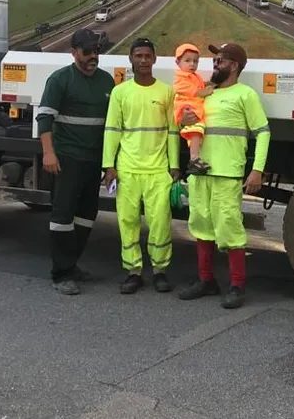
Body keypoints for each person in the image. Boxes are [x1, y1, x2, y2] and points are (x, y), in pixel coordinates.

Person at [177, 43, 270, 309]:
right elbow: (187, 123)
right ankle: (206, 281)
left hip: (227, 174)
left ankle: (237, 286)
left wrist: (257, 170)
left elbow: (262, 132)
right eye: (215, 59)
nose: (215, 63)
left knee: (229, 228)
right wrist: (184, 118)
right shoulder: (205, 93)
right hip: (200, 172)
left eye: (221, 60)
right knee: (201, 225)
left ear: (235, 65)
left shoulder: (245, 95)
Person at [36, 28, 114, 296]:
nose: (93, 56)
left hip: (93, 161)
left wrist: (109, 164)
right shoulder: (60, 80)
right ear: (74, 52)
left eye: (97, 51)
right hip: (66, 159)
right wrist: (49, 153)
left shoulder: (106, 82)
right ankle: (61, 273)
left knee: (86, 217)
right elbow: (45, 118)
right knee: (62, 217)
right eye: (87, 52)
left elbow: (112, 126)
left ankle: (72, 264)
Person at [102, 38, 181, 294]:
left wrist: (175, 165)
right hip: (127, 169)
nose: (143, 60)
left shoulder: (166, 92)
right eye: (139, 56)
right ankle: (133, 271)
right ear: (131, 59)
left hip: (158, 170)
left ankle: (160, 271)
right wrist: (108, 165)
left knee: (160, 222)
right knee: (127, 221)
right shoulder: (120, 92)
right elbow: (112, 130)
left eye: (148, 56)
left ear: (155, 59)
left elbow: (172, 131)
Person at [173, 43, 213, 175]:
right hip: (187, 108)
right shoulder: (180, 78)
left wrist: (208, 84)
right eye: (187, 60)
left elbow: (200, 86)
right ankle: (194, 158)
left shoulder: (194, 76)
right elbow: (194, 91)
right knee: (196, 131)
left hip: (192, 107)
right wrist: (206, 91)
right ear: (178, 62)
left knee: (195, 133)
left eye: (195, 61)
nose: (192, 64)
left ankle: (195, 156)